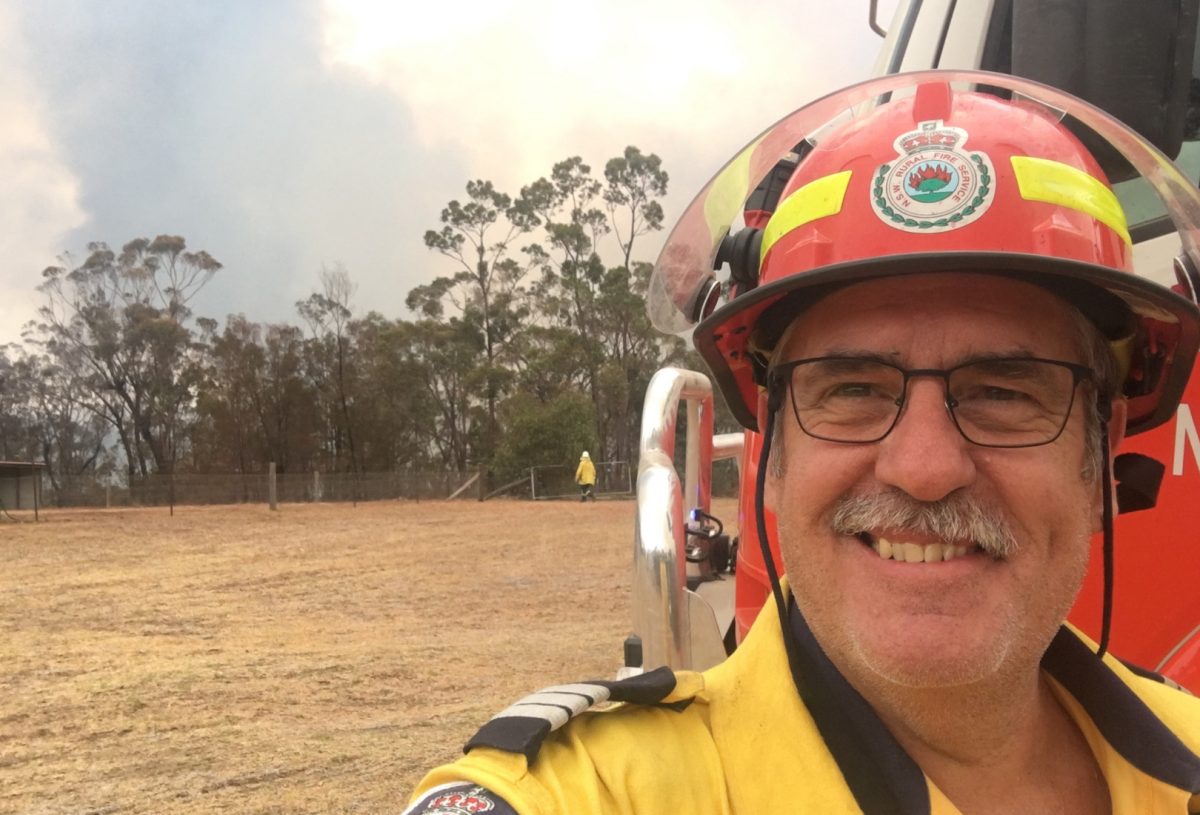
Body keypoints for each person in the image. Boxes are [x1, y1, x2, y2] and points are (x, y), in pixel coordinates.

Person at [405, 73, 1200, 814]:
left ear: (1101, 455)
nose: (923, 469)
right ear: (772, 454)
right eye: (851, 388)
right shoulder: (602, 791)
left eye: (1003, 392)